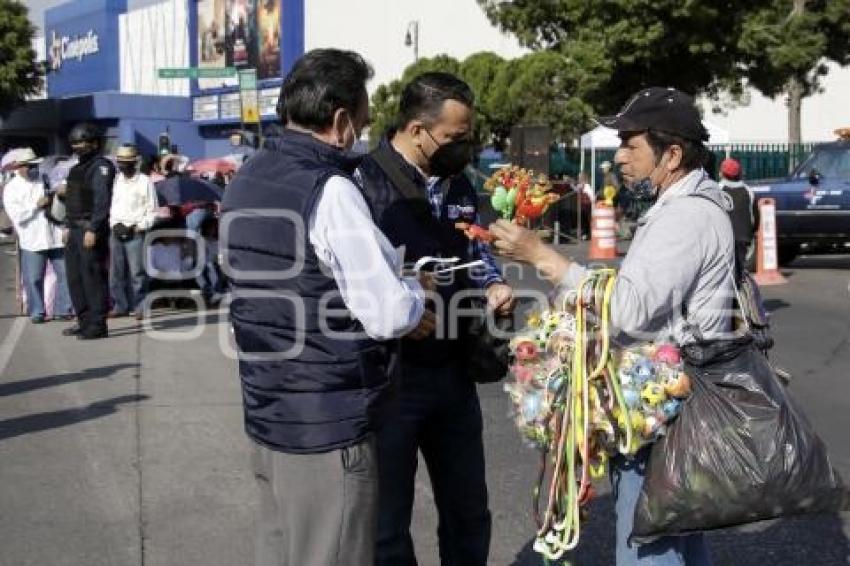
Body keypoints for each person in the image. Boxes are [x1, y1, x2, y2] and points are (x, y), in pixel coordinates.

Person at [487, 87, 730, 566]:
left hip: (667, 418)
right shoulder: (684, 205)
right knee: (676, 539)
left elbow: (630, 312)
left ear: (673, 154)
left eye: (630, 145)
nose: (619, 157)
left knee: (649, 545)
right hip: (671, 405)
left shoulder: (686, 216)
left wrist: (543, 257)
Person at [222, 49, 435, 566]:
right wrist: (414, 292)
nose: (360, 136)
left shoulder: (248, 176)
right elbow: (387, 314)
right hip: (328, 422)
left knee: (281, 550)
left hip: (271, 411)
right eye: (361, 125)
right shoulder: (332, 189)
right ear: (340, 121)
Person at [357, 72, 515, 566]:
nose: (463, 146)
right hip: (392, 375)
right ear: (416, 128)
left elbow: (474, 244)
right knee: (387, 525)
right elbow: (350, 275)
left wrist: (492, 281)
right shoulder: (362, 183)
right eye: (454, 137)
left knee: (469, 510)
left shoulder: (459, 183)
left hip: (455, 370)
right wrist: (404, 303)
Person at [2, 147, 73, 323]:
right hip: (32, 239)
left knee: (65, 274)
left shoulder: (45, 180)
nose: (33, 168)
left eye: (35, 165)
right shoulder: (12, 189)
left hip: (54, 235)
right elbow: (17, 216)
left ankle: (63, 309)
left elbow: (61, 204)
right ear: (19, 167)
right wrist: (36, 205)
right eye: (29, 165)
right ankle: (37, 311)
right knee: (33, 278)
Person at [60, 122, 116, 339]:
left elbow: (102, 201)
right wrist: (66, 225)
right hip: (73, 228)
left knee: (92, 277)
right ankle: (83, 320)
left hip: (89, 228)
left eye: (83, 142)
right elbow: (73, 201)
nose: (78, 146)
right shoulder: (75, 169)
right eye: (75, 142)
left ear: (94, 143)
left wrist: (93, 228)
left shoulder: (101, 166)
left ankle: (97, 324)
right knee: (75, 278)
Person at [108, 144, 158, 319]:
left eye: (127, 162)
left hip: (136, 231)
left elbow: (152, 210)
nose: (124, 165)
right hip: (116, 229)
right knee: (116, 272)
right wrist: (114, 224)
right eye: (121, 162)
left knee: (137, 273)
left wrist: (139, 226)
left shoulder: (145, 181)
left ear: (135, 163)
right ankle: (120, 305)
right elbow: (112, 206)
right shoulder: (115, 180)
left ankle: (140, 306)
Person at [718, 158, 756, 272]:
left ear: (721, 173)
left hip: (724, 237)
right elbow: (754, 217)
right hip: (744, 237)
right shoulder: (748, 191)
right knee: (739, 269)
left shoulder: (718, 189)